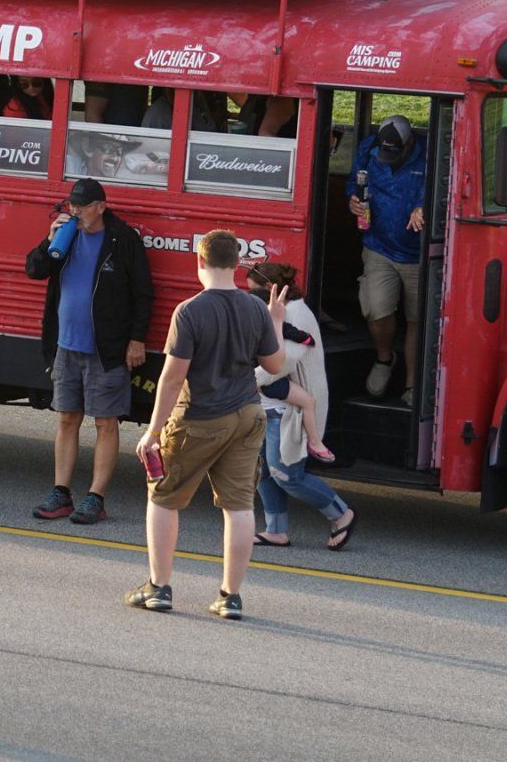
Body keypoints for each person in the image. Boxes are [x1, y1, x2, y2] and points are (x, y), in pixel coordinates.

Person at [127, 229, 285, 619]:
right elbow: (276, 366)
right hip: (248, 415)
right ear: (236, 264)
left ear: (199, 261)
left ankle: (159, 587)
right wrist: (275, 320)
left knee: (164, 497)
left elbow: (172, 377)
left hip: (200, 416)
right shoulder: (254, 308)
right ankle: (230, 597)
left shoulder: (190, 311)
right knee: (239, 506)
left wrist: (153, 431)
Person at [24, 177, 154, 526]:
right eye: (72, 205)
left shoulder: (122, 240)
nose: (75, 211)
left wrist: (136, 340)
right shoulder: (65, 235)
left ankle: (95, 497)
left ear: (101, 206)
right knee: (67, 418)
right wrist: (50, 241)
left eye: (82, 206)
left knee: (105, 422)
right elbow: (34, 270)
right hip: (66, 345)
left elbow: (143, 294)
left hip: (106, 349)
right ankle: (61, 492)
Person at [246, 263, 357, 551]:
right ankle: (276, 530)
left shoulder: (295, 314)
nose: (250, 298)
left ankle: (341, 513)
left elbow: (282, 363)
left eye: (255, 292)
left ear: (271, 290)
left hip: (287, 410)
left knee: (287, 475)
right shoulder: (280, 311)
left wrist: (245, 380)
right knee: (263, 470)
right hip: (267, 404)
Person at [349, 114, 428, 401]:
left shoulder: (430, 155)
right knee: (375, 309)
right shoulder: (370, 149)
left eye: (395, 152)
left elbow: (447, 191)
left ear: (409, 144)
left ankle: (411, 384)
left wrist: (425, 207)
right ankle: (384, 359)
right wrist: (353, 200)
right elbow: (354, 183)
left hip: (420, 254)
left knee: (418, 319)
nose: (388, 157)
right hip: (379, 246)